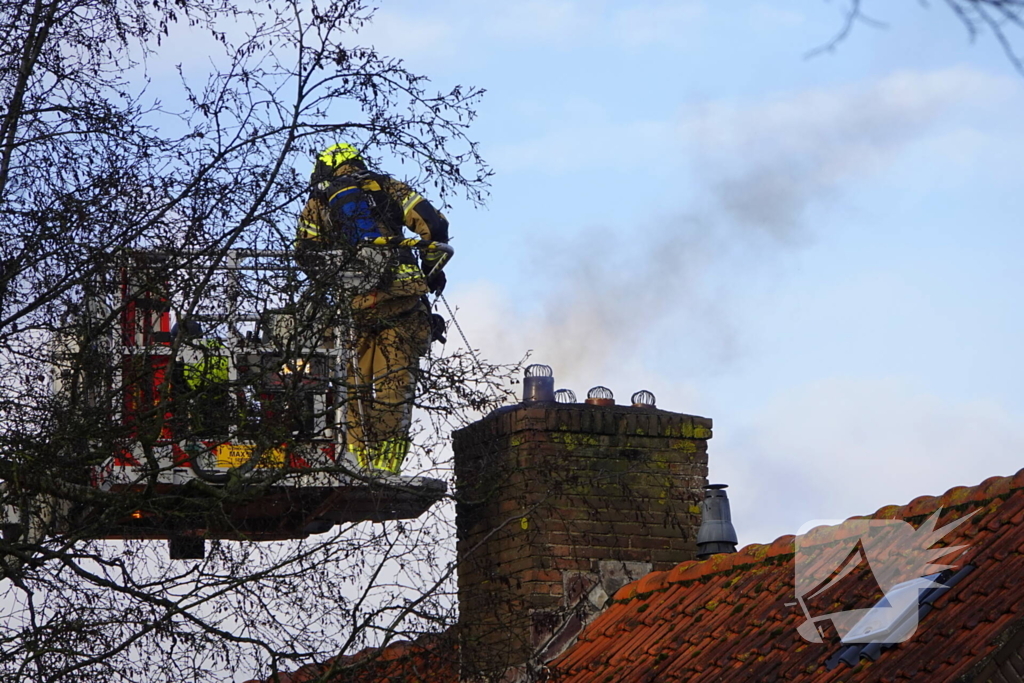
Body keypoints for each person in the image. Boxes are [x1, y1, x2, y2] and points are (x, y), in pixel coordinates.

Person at [295, 143, 449, 474]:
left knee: (353, 392)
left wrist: (341, 281)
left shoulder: (318, 203)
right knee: (394, 389)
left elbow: (306, 254)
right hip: (403, 304)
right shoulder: (388, 187)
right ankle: (387, 466)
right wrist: (431, 270)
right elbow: (434, 226)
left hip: (353, 313)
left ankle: (359, 465)